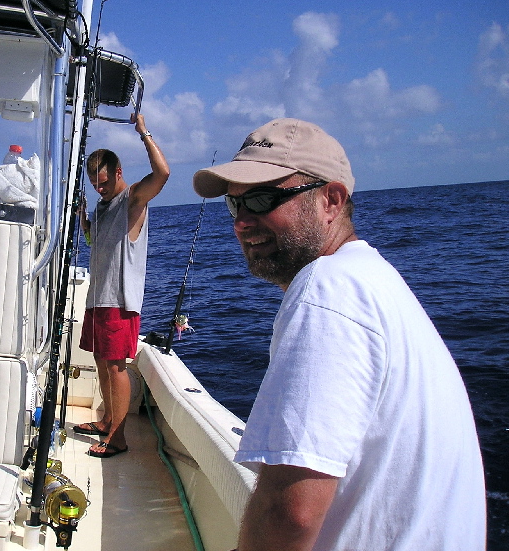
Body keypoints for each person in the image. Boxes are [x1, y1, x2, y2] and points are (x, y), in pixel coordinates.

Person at [192, 118, 486, 550]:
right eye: (236, 206)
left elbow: (290, 512)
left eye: (261, 198)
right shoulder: (370, 278)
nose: (242, 222)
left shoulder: (329, 288)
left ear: (331, 200)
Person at [74, 113, 169, 459]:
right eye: (94, 184)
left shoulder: (132, 199)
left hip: (119, 302)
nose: (100, 189)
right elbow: (94, 242)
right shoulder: (101, 207)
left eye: (104, 182)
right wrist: (85, 221)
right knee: (101, 362)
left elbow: (163, 174)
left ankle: (118, 437)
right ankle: (107, 422)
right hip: (97, 299)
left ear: (118, 172)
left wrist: (144, 132)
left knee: (115, 367)